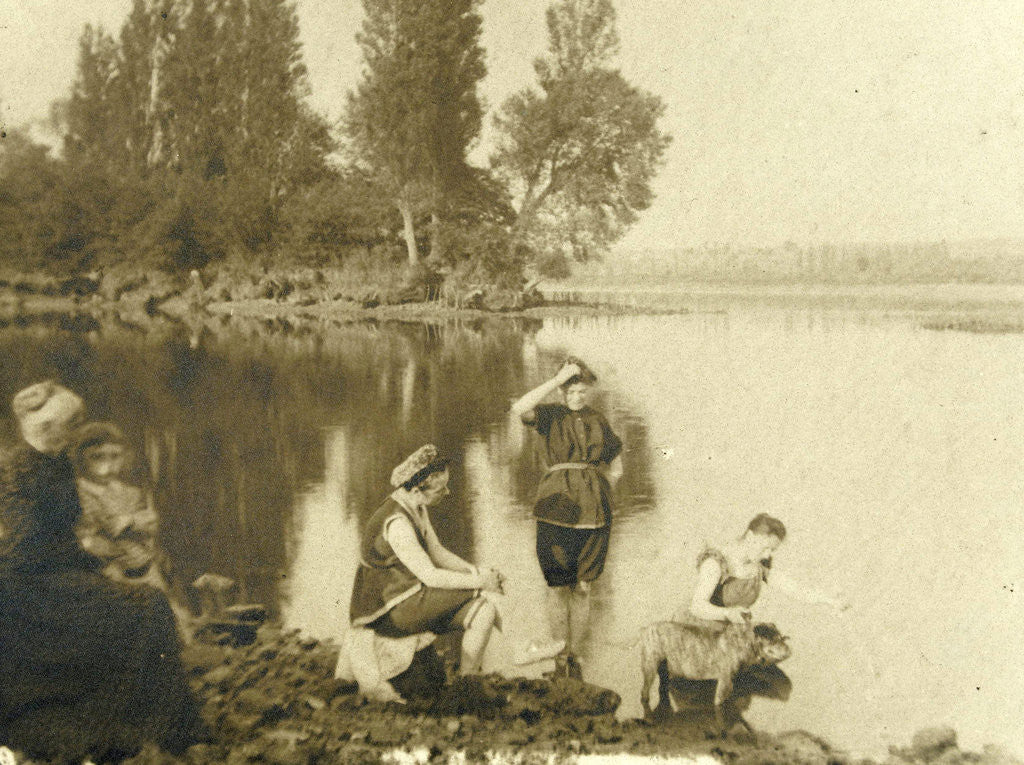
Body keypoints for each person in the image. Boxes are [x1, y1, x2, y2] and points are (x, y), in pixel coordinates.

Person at [0, 381, 203, 762]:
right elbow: (26, 542)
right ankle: (129, 724)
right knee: (144, 607)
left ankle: (158, 726)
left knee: (148, 604)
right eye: (68, 424)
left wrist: (91, 557)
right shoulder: (17, 468)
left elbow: (69, 528)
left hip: (59, 571)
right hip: (26, 581)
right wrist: (88, 557)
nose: (75, 432)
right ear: (46, 427)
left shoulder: (58, 463)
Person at [349, 444, 504, 685]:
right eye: (440, 489)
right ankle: (518, 650)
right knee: (480, 591)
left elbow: (438, 552)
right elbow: (430, 576)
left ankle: (468, 681)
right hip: (387, 611)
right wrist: (480, 582)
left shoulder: (416, 506)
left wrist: (476, 571)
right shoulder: (397, 522)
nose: (447, 493)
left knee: (484, 610)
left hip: (407, 598)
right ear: (419, 489)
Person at [510, 357, 623, 678]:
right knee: (558, 585)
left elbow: (616, 458)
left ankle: (575, 654)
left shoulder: (598, 419)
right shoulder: (550, 416)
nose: (578, 396)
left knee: (584, 586)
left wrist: (607, 484)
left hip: (595, 509)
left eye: (582, 390)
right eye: (571, 390)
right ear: (562, 392)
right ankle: (559, 654)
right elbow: (520, 407)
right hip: (556, 508)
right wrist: (558, 377)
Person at [70, 421, 193, 638]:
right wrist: (127, 528)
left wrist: (128, 524)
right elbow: (90, 536)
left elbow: (150, 523)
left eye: (115, 456)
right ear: (81, 458)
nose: (107, 465)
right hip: (108, 568)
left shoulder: (128, 491)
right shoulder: (79, 493)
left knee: (165, 612)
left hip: (142, 563)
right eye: (97, 457)